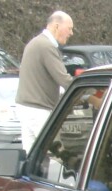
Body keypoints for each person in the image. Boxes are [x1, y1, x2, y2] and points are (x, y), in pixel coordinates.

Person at [16, 11, 74, 152]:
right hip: (38, 111)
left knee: (32, 156)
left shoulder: (36, 43)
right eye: (69, 28)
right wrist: (92, 95)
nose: (71, 33)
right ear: (56, 26)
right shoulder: (46, 46)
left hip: (27, 108)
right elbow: (65, 80)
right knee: (57, 153)